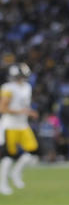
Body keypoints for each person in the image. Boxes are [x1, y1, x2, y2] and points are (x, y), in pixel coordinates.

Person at [0, 63, 39, 195]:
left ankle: (15, 173)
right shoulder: (7, 88)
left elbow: (24, 106)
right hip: (9, 126)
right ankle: (3, 184)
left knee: (32, 151)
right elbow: (3, 108)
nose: (22, 79)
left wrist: (29, 112)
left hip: (22, 125)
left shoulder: (27, 87)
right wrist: (22, 112)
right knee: (8, 156)